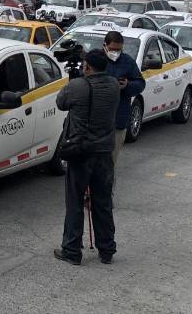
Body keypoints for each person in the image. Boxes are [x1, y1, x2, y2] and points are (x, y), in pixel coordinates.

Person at [55, 49, 121, 266]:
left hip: (81, 152)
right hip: (104, 153)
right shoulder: (113, 86)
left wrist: (73, 81)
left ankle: (72, 250)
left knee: (75, 202)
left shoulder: (78, 86)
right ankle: (107, 250)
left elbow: (61, 102)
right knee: (102, 202)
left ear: (88, 67)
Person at [103, 30, 145, 164]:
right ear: (105, 45)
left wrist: (127, 85)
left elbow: (140, 83)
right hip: (97, 122)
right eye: (112, 49)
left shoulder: (127, 61)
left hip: (118, 120)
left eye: (118, 50)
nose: (115, 52)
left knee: (110, 163)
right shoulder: (96, 60)